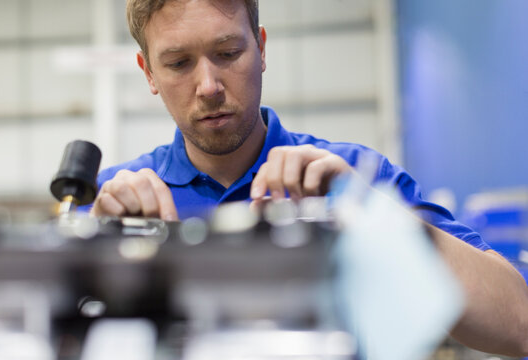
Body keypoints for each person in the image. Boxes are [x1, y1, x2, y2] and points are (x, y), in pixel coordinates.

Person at [90, 0, 528, 356]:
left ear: (262, 49)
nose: (208, 86)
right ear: (148, 72)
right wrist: (93, 253)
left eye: (228, 54)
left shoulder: (355, 176)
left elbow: (519, 324)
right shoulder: (116, 205)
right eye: (179, 63)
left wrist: (371, 213)